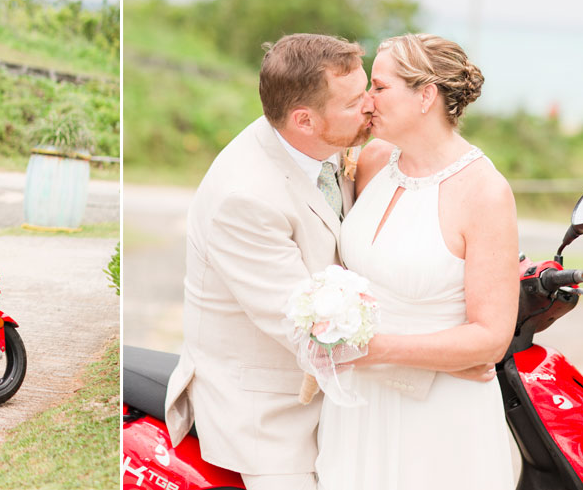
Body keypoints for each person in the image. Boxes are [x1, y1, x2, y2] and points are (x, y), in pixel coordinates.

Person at [163, 34, 438, 490]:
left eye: (368, 89)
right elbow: (313, 331)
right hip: (270, 413)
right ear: (304, 119)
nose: (371, 105)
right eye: (354, 102)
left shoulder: (321, 143)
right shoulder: (245, 198)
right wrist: (447, 352)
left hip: (342, 397)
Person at [315, 33, 518, 489]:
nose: (367, 101)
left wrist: (370, 351)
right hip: (357, 405)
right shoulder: (372, 160)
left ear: (426, 95)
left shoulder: (484, 192)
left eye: (380, 88)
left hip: (438, 415)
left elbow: (491, 338)